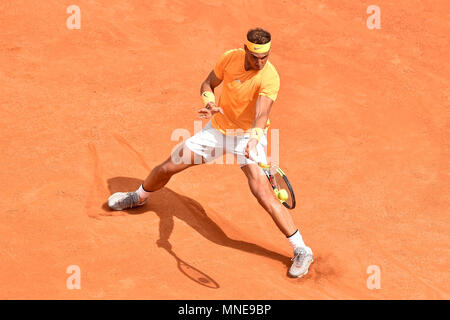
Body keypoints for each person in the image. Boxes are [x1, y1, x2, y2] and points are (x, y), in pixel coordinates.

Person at [108, 28, 313, 278]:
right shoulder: (229, 58)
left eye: (265, 57)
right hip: (217, 130)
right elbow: (208, 83)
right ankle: (139, 197)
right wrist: (210, 102)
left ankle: (301, 249)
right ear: (245, 49)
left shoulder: (270, 77)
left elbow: (262, 114)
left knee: (263, 193)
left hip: (247, 137)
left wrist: (255, 138)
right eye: (255, 57)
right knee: (168, 166)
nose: (260, 62)